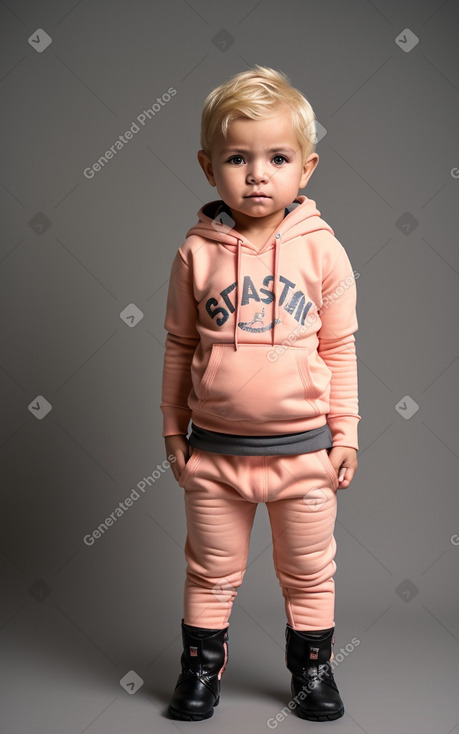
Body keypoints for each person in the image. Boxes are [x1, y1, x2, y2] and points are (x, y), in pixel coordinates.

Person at [160, 65, 360, 722]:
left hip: (303, 454)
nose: (256, 174)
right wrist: (171, 430)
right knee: (211, 571)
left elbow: (338, 350)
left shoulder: (322, 251)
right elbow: (178, 348)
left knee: (308, 572)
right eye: (237, 158)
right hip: (215, 453)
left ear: (305, 168)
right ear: (207, 165)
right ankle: (199, 671)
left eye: (276, 157)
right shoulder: (196, 254)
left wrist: (345, 433)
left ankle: (310, 671)